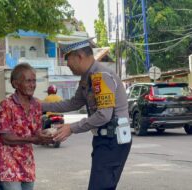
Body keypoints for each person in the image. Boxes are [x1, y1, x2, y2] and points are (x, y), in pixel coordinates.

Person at [42, 38, 132, 190]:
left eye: (67, 59)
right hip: (104, 139)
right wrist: (40, 105)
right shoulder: (87, 77)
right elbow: (73, 103)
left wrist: (71, 128)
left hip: (113, 140)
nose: (67, 65)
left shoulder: (100, 76)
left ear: (79, 56)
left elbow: (104, 115)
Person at [0, 63, 53, 190]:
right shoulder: (6, 105)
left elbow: (36, 133)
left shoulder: (36, 105)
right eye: (28, 81)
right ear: (15, 84)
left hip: (28, 164)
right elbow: (6, 138)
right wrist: (34, 139)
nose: (32, 85)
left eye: (34, 81)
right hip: (8, 166)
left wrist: (48, 136)